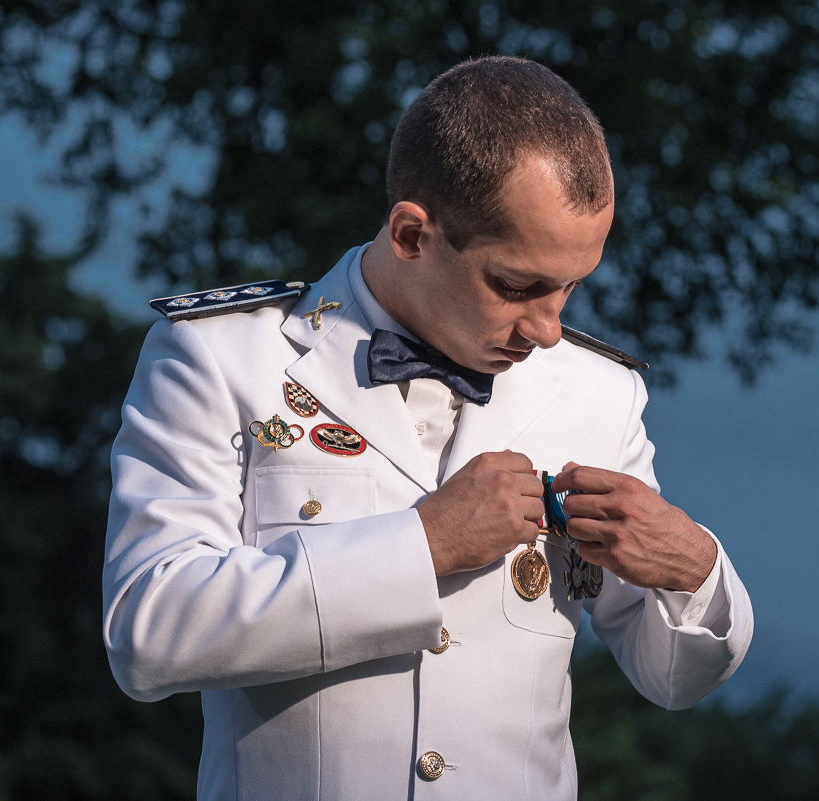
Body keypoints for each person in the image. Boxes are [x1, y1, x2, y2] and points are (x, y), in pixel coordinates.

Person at [103, 55, 753, 800]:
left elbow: (671, 678)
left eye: (572, 286)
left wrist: (695, 571)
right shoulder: (223, 358)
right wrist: (424, 545)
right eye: (518, 285)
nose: (548, 329)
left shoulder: (599, 393)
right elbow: (148, 632)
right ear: (412, 234)